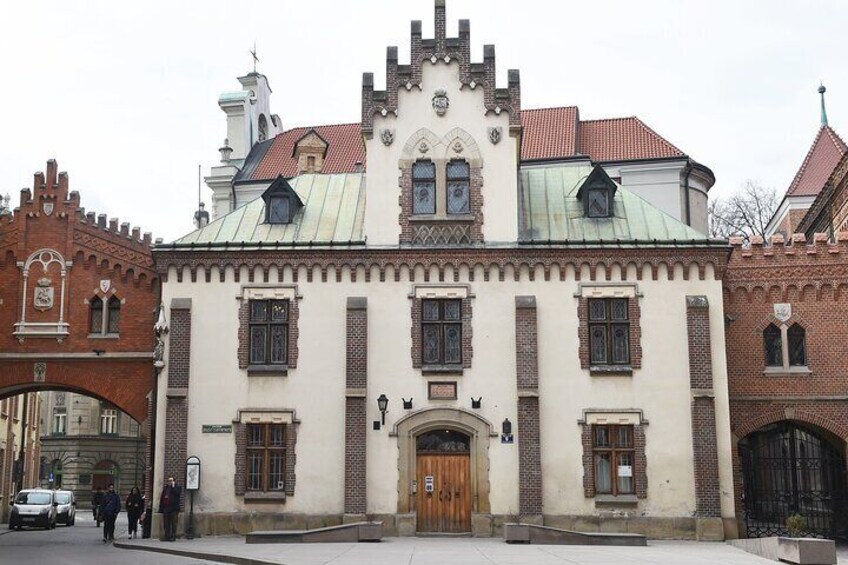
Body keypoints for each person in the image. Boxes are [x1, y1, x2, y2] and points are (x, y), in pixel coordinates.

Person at [158, 476, 181, 542]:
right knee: (166, 523)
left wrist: (173, 487)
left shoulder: (177, 488)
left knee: (174, 523)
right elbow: (162, 498)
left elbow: (177, 493)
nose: (169, 482)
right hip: (166, 508)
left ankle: (173, 536)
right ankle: (167, 536)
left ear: (174, 481)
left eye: (171, 481)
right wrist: (161, 508)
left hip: (174, 508)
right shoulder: (165, 488)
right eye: (168, 481)